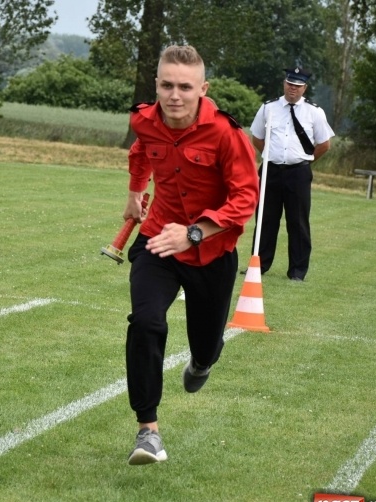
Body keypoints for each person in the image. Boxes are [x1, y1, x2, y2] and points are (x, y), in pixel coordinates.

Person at [122, 45, 259, 465]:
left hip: (212, 252)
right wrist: (135, 192)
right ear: (156, 85)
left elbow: (246, 198)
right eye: (166, 85)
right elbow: (140, 150)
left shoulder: (226, 134)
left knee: (206, 345)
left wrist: (195, 233)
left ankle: (202, 362)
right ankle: (148, 432)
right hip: (158, 239)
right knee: (145, 321)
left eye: (185, 87)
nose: (174, 95)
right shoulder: (143, 119)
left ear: (203, 88)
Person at [248, 67, 335, 281]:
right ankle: (259, 265)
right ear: (284, 84)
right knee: (266, 219)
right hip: (271, 171)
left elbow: (324, 144)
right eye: (289, 84)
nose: (292, 89)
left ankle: (297, 271)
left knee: (298, 222)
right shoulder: (268, 108)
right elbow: (257, 137)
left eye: (297, 86)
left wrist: (307, 161)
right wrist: (271, 154)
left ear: (304, 88)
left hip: (298, 173)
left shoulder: (314, 112)